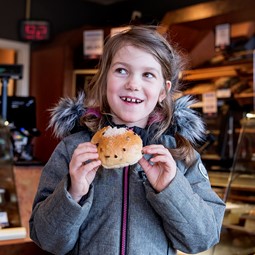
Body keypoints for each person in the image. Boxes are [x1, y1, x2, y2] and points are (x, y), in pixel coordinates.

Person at [29, 25, 225, 255]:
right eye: (121, 70)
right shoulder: (73, 150)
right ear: (104, 80)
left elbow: (203, 238)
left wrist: (171, 189)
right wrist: (73, 193)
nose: (133, 83)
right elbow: (45, 239)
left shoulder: (178, 153)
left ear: (163, 90)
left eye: (148, 75)